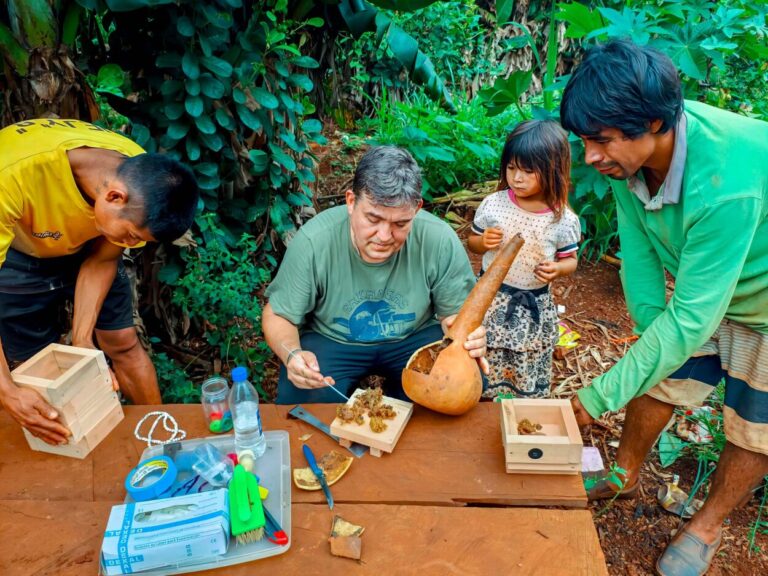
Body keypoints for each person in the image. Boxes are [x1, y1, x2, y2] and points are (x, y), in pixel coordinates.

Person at [560, 39, 768, 576]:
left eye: (600, 141)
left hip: (764, 298)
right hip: (712, 281)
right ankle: (624, 476)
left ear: (653, 123)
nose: (590, 157)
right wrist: (658, 346)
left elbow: (693, 317)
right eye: (584, 141)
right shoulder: (631, 162)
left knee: (754, 422)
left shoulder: (728, 182)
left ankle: (706, 526)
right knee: (658, 373)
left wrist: (596, 397)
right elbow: (641, 259)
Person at [0, 118, 199, 446]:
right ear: (115, 197)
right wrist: (7, 392)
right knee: (37, 367)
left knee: (121, 340)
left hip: (91, 238)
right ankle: (69, 457)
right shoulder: (12, 176)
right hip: (18, 252)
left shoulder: (139, 176)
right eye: (133, 236)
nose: (132, 243)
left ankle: (163, 441)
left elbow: (102, 258)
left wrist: (83, 343)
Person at [263, 146, 488, 403]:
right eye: (373, 219)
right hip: (334, 339)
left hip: (413, 338)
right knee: (305, 397)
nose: (384, 236)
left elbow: (455, 315)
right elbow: (278, 314)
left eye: (400, 224)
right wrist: (292, 354)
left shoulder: (439, 239)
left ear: (416, 209)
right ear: (350, 202)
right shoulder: (315, 241)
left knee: (456, 387)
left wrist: (463, 333)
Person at [468, 120, 580, 399]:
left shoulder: (562, 219)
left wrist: (557, 268)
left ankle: (522, 402)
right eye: (511, 168)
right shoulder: (494, 205)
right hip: (490, 297)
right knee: (487, 347)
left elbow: (571, 260)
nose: (517, 178)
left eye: (528, 171)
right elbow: (473, 243)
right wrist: (482, 243)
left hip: (531, 302)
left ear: (553, 171)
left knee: (526, 353)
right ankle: (481, 395)